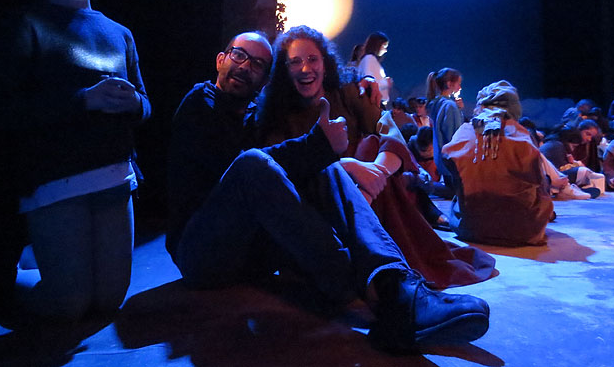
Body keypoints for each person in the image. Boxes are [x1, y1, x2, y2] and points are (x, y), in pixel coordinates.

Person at [167, 31, 490, 352]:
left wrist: (363, 90)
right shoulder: (199, 105)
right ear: (220, 60)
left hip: (252, 256)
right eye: (239, 56)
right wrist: (322, 147)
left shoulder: (261, 116)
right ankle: (360, 291)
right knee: (257, 163)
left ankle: (395, 287)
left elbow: (371, 134)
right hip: (202, 254)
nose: (245, 67)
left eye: (258, 64)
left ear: (266, 78)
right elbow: (236, 168)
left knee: (326, 167)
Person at [0, 0, 150, 321]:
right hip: (55, 179)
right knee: (68, 304)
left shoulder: (120, 33)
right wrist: (83, 100)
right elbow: (3, 109)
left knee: (109, 300)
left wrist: (133, 103)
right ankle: (16, 277)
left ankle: (53, 258)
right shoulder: (28, 24)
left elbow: (145, 103)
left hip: (114, 177)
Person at [257, 26, 495, 289]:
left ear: (325, 63)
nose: (305, 69)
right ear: (284, 69)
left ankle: (386, 269)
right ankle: (385, 273)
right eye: (295, 62)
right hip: (324, 201)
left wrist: (375, 175)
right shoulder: (278, 113)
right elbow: (282, 167)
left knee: (371, 146)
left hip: (372, 191)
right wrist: (348, 168)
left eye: (312, 59)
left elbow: (387, 131)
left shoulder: (350, 92)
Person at [442, 81, 554, 246]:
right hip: (520, 231)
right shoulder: (521, 135)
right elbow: (537, 180)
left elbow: (448, 162)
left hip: (469, 228)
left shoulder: (464, 132)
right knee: (544, 189)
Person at [425, 68, 464, 191]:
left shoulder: (436, 103)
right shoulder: (449, 106)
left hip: (441, 158)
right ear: (449, 84)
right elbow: (454, 135)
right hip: (452, 160)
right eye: (458, 83)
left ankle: (427, 186)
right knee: (457, 192)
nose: (460, 87)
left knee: (451, 190)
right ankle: (425, 186)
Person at [358, 31, 392, 106]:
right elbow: (368, 81)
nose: (386, 50)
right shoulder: (369, 59)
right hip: (372, 104)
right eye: (384, 46)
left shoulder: (370, 59)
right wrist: (385, 82)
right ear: (377, 45)